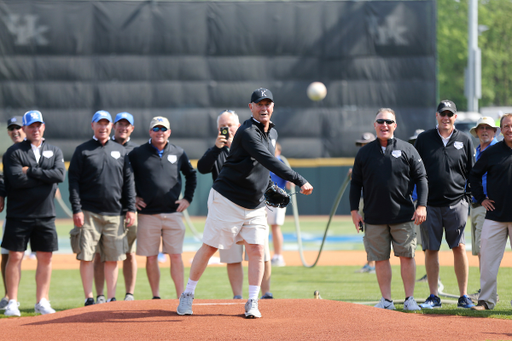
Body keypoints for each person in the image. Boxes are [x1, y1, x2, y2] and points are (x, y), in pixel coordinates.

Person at [177, 88, 313, 319]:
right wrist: (299, 180)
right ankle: (187, 294)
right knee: (210, 247)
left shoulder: (273, 132)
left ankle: (252, 301)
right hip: (227, 199)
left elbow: (259, 167)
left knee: (257, 250)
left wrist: (268, 187)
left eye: (268, 103)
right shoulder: (247, 132)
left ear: (272, 106)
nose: (264, 108)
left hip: (256, 204)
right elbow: (268, 159)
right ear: (251, 107)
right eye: (259, 104)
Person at [350, 108, 427, 311]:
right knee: (380, 258)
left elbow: (422, 178)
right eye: (380, 121)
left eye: (388, 121)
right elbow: (356, 183)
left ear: (395, 125)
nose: (384, 125)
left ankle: (410, 299)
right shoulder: (364, 152)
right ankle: (386, 300)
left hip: (403, 215)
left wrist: (422, 206)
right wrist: (354, 211)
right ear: (374, 125)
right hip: (374, 217)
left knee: (407, 256)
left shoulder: (408, 149)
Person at [197, 110, 273, 300]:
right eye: (223, 126)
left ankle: (266, 294)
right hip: (226, 208)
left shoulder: (250, 144)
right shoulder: (217, 150)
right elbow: (202, 167)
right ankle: (237, 296)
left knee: (259, 251)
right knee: (232, 256)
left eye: (230, 125)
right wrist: (216, 148)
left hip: (252, 205)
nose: (226, 129)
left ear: (238, 126)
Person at [68, 110, 136, 306]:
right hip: (88, 212)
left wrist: (130, 208)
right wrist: (77, 209)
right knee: (87, 256)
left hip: (115, 213)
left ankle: (112, 297)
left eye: (106, 123)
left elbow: (128, 182)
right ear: (93, 125)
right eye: (100, 123)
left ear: (111, 126)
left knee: (113, 257)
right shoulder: (82, 150)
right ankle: (89, 298)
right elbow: (74, 182)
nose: (103, 127)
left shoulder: (120, 151)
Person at [1, 110, 65, 316]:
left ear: (43, 127)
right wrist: (45, 178)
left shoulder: (54, 150)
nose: (35, 129)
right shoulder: (13, 152)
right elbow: (16, 181)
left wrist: (31, 171)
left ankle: (42, 301)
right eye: (31, 126)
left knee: (45, 257)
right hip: (19, 214)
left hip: (46, 214)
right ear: (25, 129)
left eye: (38, 126)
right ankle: (12, 301)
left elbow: (59, 175)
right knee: (16, 256)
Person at [414, 100, 475, 309]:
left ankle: (464, 296)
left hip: (456, 203)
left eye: (450, 114)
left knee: (459, 247)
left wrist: (466, 198)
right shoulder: (423, 139)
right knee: (431, 249)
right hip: (429, 204)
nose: (446, 118)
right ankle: (433, 296)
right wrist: (418, 202)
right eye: (443, 114)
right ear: (437, 116)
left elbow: (471, 173)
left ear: (455, 117)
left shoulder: (464, 140)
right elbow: (415, 172)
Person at [129, 116, 197, 299]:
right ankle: (156, 296)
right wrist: (132, 198)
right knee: (151, 257)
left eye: (163, 129)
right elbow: (126, 176)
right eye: (156, 129)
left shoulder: (178, 152)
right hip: (148, 214)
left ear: (169, 132)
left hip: (172, 213)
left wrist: (188, 199)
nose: (160, 132)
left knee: (175, 255)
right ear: (150, 132)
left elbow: (191, 175)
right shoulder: (137, 153)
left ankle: (181, 297)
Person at [93, 112, 139, 303]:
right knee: (99, 254)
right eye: (119, 124)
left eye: (127, 125)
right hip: (105, 208)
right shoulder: (101, 147)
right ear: (114, 126)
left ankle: (129, 294)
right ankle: (101, 295)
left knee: (129, 252)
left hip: (127, 210)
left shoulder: (137, 151)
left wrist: (136, 200)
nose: (123, 128)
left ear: (132, 128)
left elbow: (142, 179)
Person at [468, 114, 512, 311]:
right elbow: (474, 175)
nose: (510, 129)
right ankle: (486, 301)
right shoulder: (492, 152)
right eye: (506, 126)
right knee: (487, 260)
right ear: (500, 130)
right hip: (494, 216)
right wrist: (481, 198)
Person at [467, 117, 498, 301]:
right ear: (476, 132)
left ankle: (487, 293)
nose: (484, 131)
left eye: (488, 128)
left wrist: (485, 198)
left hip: (488, 205)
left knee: (486, 251)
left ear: (495, 132)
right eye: (481, 128)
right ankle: (485, 291)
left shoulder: (497, 150)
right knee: (481, 250)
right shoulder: (477, 151)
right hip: (475, 205)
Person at [0, 116, 26, 310]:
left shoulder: (35, 148)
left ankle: (42, 299)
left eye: (18, 127)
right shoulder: (8, 153)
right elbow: (5, 179)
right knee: (7, 255)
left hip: (38, 210)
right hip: (14, 211)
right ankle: (9, 296)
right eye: (11, 128)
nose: (15, 131)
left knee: (43, 256)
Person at [352, 132, 376, 274]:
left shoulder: (378, 158)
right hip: (363, 199)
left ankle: (373, 264)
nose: (363, 147)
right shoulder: (361, 159)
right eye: (362, 144)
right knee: (366, 231)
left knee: (373, 231)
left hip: (373, 200)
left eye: (366, 144)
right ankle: (370, 262)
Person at [268, 142, 288, 268]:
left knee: (275, 227)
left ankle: (278, 256)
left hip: (277, 199)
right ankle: (266, 254)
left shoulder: (280, 163)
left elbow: (289, 178)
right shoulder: (266, 161)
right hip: (265, 198)